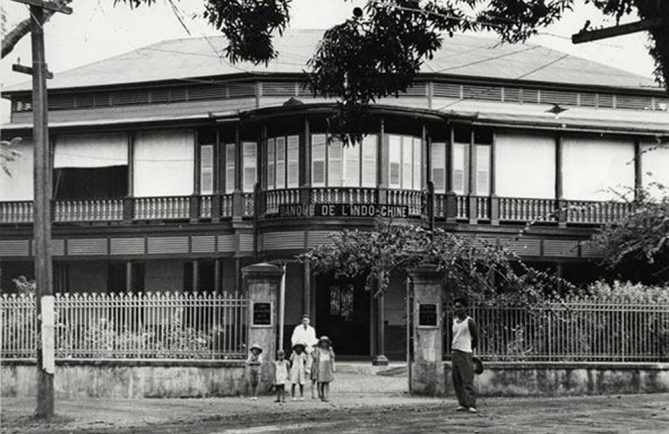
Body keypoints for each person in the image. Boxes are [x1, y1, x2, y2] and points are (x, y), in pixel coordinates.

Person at [451, 297, 479, 414]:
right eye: (456, 307)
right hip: (455, 352)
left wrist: (468, 349)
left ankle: (471, 404)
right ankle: (462, 403)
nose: (458, 309)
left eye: (460, 307)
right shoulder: (454, 321)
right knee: (456, 379)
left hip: (465, 352)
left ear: (465, 307)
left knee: (467, 379)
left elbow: (476, 338)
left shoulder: (469, 321)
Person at [315, 335, 335, 402]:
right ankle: (321, 395)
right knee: (321, 382)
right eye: (323, 342)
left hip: (327, 365)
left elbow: (333, 356)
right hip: (321, 365)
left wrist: (333, 367)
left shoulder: (329, 349)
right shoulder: (319, 350)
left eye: (325, 342)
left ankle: (327, 395)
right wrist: (317, 368)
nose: (324, 344)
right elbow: (317, 359)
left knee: (327, 382)